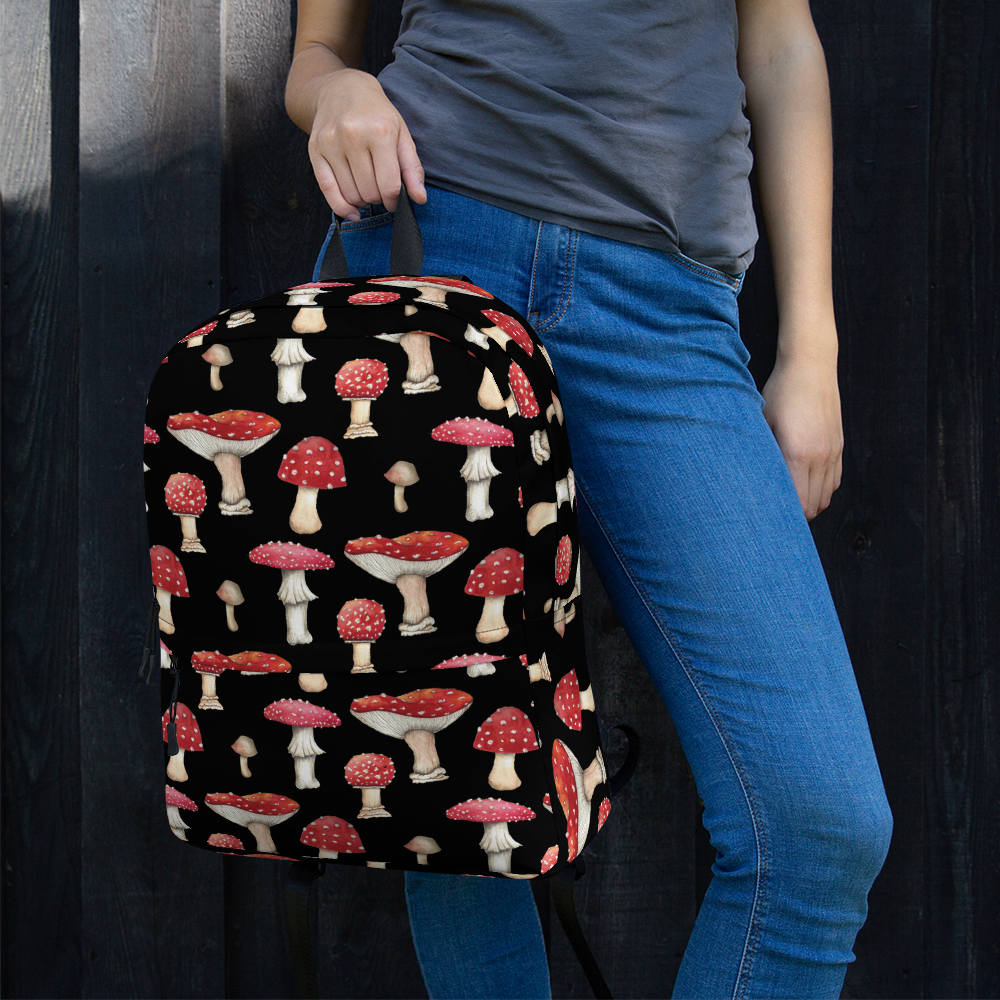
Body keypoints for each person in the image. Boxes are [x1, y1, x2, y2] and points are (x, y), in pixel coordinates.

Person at [285, 1, 894, 997]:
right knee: (453, 801)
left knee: (819, 824)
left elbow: (782, 41)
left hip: (668, 317)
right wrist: (337, 92)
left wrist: (812, 350)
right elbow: (315, 55)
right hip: (437, 250)